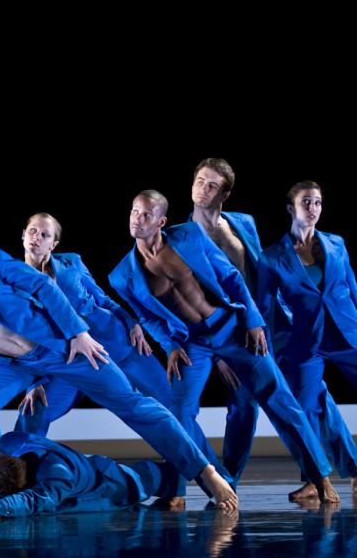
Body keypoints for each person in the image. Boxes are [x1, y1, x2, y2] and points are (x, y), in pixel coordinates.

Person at [0, 213, 238, 510]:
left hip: (61, 348)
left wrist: (77, 332)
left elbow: (39, 284)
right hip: (9, 365)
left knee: (136, 405)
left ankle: (205, 473)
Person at [108, 189, 339, 503]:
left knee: (279, 398)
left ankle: (320, 477)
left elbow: (231, 277)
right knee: (178, 413)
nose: (137, 219)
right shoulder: (122, 275)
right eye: (134, 212)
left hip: (232, 330)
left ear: (161, 221)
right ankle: (194, 486)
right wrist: (170, 343)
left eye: (146, 214)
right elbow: (148, 317)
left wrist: (253, 320)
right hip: (192, 344)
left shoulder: (189, 235)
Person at [15, 213, 171, 440]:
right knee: (32, 413)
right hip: (69, 362)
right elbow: (23, 340)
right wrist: (33, 383)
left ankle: (209, 469)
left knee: (170, 404)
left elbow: (103, 299)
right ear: (23, 235)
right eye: (32, 231)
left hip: (117, 344)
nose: (37, 237)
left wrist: (131, 322)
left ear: (54, 243)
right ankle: (22, 470)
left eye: (45, 234)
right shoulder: (13, 282)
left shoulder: (72, 262)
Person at [189, 158, 290, 486]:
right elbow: (191, 302)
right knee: (243, 405)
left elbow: (258, 276)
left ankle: (319, 475)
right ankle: (227, 480)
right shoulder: (182, 239)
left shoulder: (242, 222)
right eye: (200, 182)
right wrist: (220, 355)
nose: (203, 190)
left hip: (264, 325)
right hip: (223, 336)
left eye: (212, 185)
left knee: (304, 393)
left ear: (225, 194)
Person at [257, 181, 357, 499]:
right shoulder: (272, 257)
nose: (312, 209)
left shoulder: (336, 244)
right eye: (306, 202)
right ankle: (315, 479)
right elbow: (265, 309)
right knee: (305, 408)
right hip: (307, 341)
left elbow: (352, 289)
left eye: (317, 203)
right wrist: (269, 352)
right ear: (291, 208)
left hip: (347, 333)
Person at [0, 431, 181, 520]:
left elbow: (30, 500)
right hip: (93, 470)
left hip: (124, 483)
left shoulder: (56, 476)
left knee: (162, 477)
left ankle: (189, 475)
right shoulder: (16, 446)